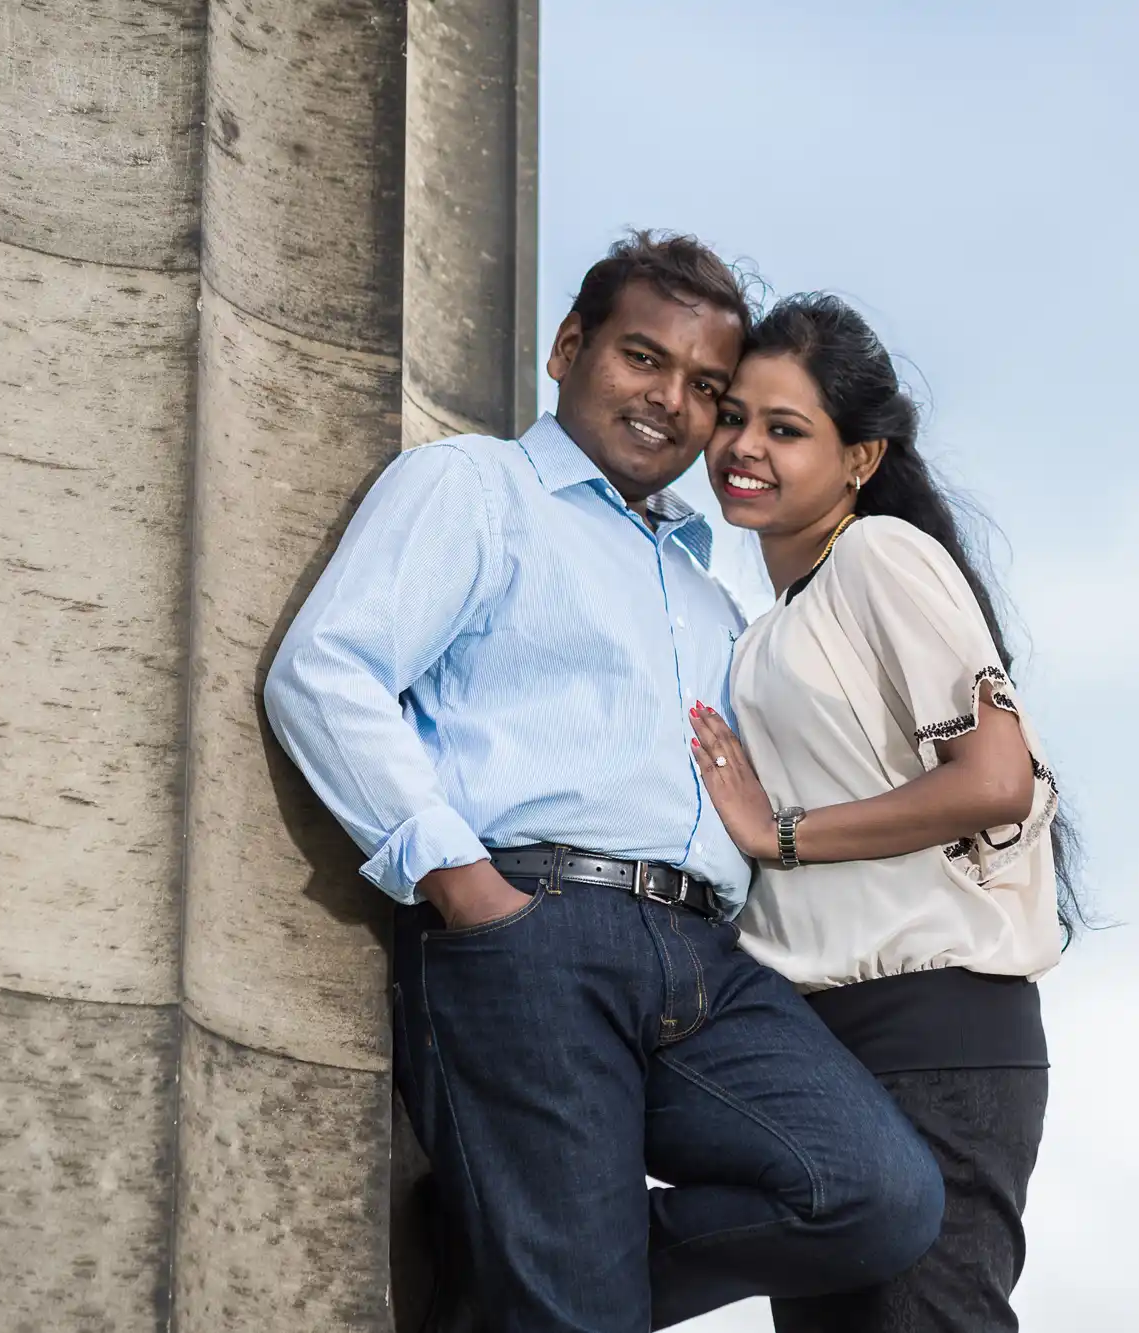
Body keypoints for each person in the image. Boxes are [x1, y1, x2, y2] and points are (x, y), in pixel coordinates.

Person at [263, 235, 943, 1333]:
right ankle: (532, 1258)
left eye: (706, 389)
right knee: (574, 1312)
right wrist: (465, 887)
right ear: (569, 348)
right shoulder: (477, 487)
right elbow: (327, 671)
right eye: (641, 359)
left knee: (877, 1194)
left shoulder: (705, 591)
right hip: (534, 937)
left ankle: (504, 1250)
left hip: (705, 960)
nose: (670, 401)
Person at [683, 294, 1078, 1333]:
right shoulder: (765, 627)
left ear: (858, 458)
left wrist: (783, 833)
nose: (742, 446)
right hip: (817, 1048)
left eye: (784, 427)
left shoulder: (877, 556)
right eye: (733, 416)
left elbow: (996, 778)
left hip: (931, 1034)